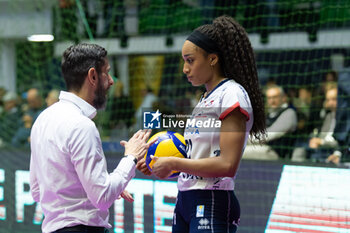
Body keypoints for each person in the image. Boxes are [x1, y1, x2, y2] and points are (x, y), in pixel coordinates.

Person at [137, 16, 266, 232]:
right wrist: (158, 164)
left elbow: (226, 165)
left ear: (213, 59)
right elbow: (198, 161)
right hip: (186, 199)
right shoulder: (205, 98)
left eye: (190, 60)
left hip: (212, 200)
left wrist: (173, 163)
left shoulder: (232, 95)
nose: (185, 69)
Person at [29, 43, 155, 233]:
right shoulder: (81, 125)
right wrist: (131, 157)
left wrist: (97, 184)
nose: (112, 81)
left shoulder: (43, 119)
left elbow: (37, 191)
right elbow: (102, 197)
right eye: (107, 72)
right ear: (93, 76)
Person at [244, 85, 297, 160]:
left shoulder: (289, 113)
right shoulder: (269, 115)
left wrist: (246, 139)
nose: (272, 101)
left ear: (284, 98)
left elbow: (270, 134)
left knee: (238, 151)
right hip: (261, 148)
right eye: (269, 98)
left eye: (275, 97)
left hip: (275, 153)